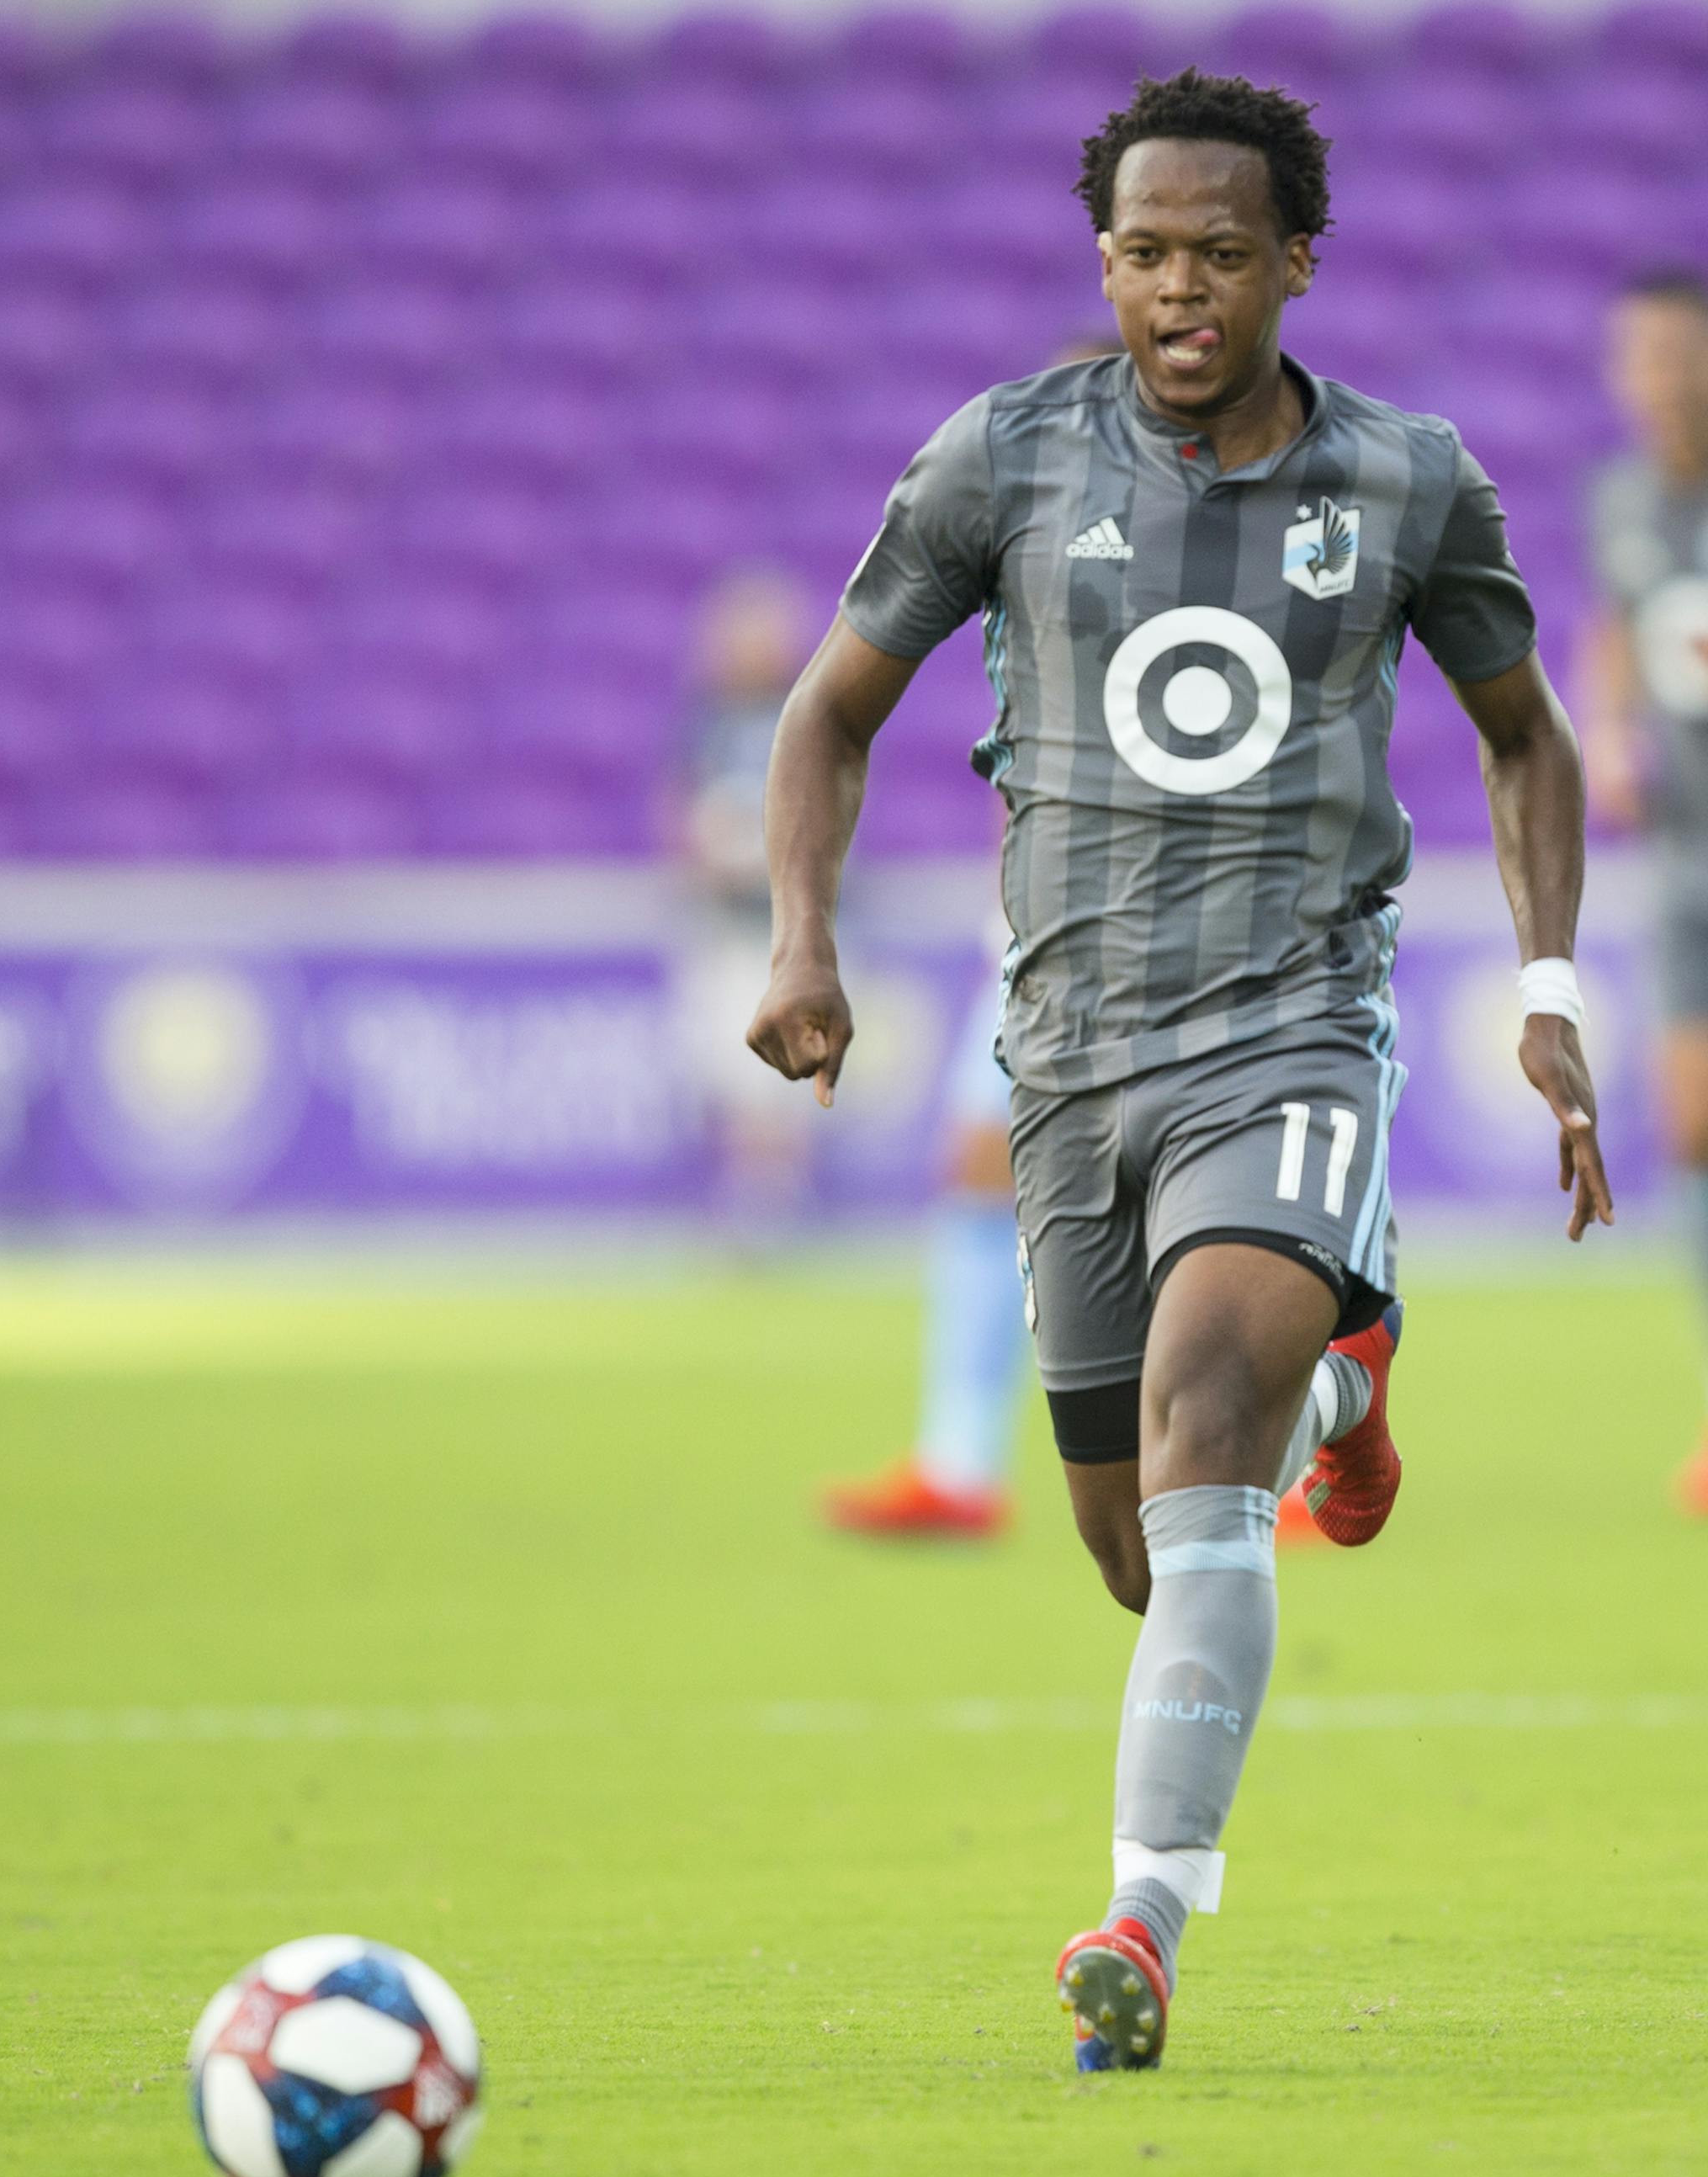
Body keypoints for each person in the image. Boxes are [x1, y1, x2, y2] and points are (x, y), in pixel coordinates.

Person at [747, 68, 1612, 2071]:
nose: (1177, 288)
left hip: (1293, 1029)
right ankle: (1346, 1382)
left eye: (1219, 253)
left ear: (1296, 260)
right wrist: (800, 936)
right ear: (1103, 258)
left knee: (1201, 1398)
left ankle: (1137, 1917)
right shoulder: (1000, 460)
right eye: (1141, 251)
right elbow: (824, 716)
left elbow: (1524, 737)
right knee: (1140, 1540)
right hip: (1067, 1062)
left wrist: (1547, 978)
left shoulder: (1408, 482)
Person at [822, 338, 1122, 1543]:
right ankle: (957, 1459)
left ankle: (1300, 1447)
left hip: (1177, 916)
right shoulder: (1027, 541)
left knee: (1211, 1188)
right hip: (1036, 922)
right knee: (977, 1164)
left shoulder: (1203, 551)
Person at [1580, 272, 1708, 1514]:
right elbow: (1612, 627)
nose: (1660, 377)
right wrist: (1610, 730)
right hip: (1684, 858)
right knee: (1689, 1126)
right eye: (1641, 356)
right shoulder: (1621, 498)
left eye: (1678, 352)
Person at [676, 568, 815, 1230]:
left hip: (791, 929)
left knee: (785, 1068)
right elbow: (680, 810)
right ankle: (748, 1197)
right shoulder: (709, 721)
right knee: (734, 1067)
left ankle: (776, 1199)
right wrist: (706, 853)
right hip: (730, 923)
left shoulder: (809, 715)